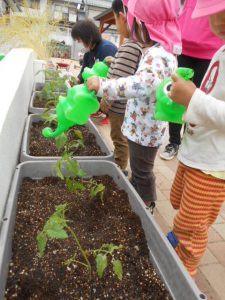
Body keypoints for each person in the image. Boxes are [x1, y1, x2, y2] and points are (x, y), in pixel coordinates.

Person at [87, 0, 181, 214]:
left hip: (145, 131)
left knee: (142, 172)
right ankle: (138, 195)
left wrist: (102, 85)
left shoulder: (157, 55)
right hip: (143, 126)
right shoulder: (159, 52)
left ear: (141, 24)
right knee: (140, 169)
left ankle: (146, 206)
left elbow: (140, 85)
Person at [167, 0, 225, 278]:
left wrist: (194, 99)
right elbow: (211, 97)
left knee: (192, 224)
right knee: (178, 202)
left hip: (212, 166)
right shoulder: (221, 50)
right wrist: (189, 106)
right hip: (195, 152)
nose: (220, 19)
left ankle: (182, 274)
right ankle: (180, 237)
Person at [160, 0, 224, 160]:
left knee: (198, 99)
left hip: (210, 49)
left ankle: (189, 139)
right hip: (184, 44)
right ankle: (174, 141)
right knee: (176, 97)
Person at [100, 0, 143, 174]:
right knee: (120, 137)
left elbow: (120, 78)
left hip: (119, 106)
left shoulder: (130, 46)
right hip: (125, 105)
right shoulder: (138, 45)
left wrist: (106, 100)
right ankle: (119, 162)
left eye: (115, 20)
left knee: (118, 138)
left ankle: (119, 168)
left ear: (122, 17)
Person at [71, 19, 117, 122]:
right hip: (98, 95)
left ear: (88, 36)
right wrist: (75, 82)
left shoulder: (106, 49)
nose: (79, 42)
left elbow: (114, 77)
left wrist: (106, 99)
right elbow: (83, 74)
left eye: (80, 39)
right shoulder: (89, 53)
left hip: (112, 97)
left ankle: (107, 114)